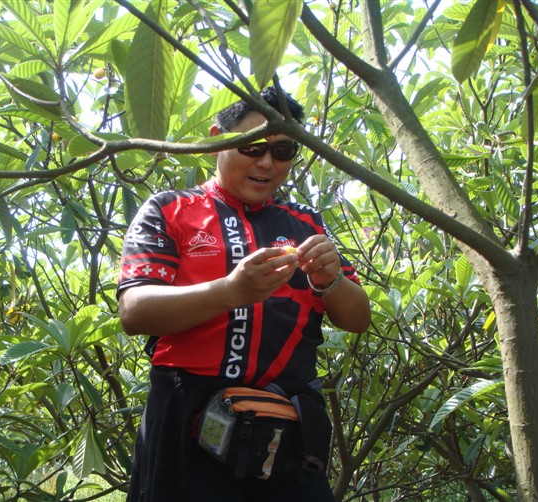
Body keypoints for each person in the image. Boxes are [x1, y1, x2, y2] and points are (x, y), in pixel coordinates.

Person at [117, 86, 371, 502]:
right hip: (187, 417)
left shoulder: (306, 223)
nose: (267, 163)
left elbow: (358, 319)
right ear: (217, 139)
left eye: (283, 151)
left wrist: (331, 280)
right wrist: (231, 291)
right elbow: (134, 311)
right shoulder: (169, 209)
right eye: (252, 146)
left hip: (285, 422)